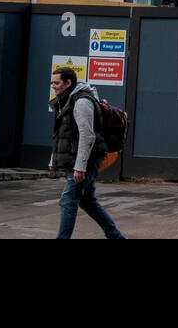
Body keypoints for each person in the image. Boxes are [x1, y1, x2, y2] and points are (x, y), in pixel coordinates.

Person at [49, 67, 125, 239]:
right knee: (87, 200)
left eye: (56, 83)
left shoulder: (82, 102)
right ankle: (115, 236)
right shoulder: (64, 100)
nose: (53, 86)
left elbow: (87, 135)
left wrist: (80, 167)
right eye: (52, 82)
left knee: (68, 201)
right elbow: (60, 134)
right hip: (77, 159)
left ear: (68, 83)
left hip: (87, 159)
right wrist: (53, 161)